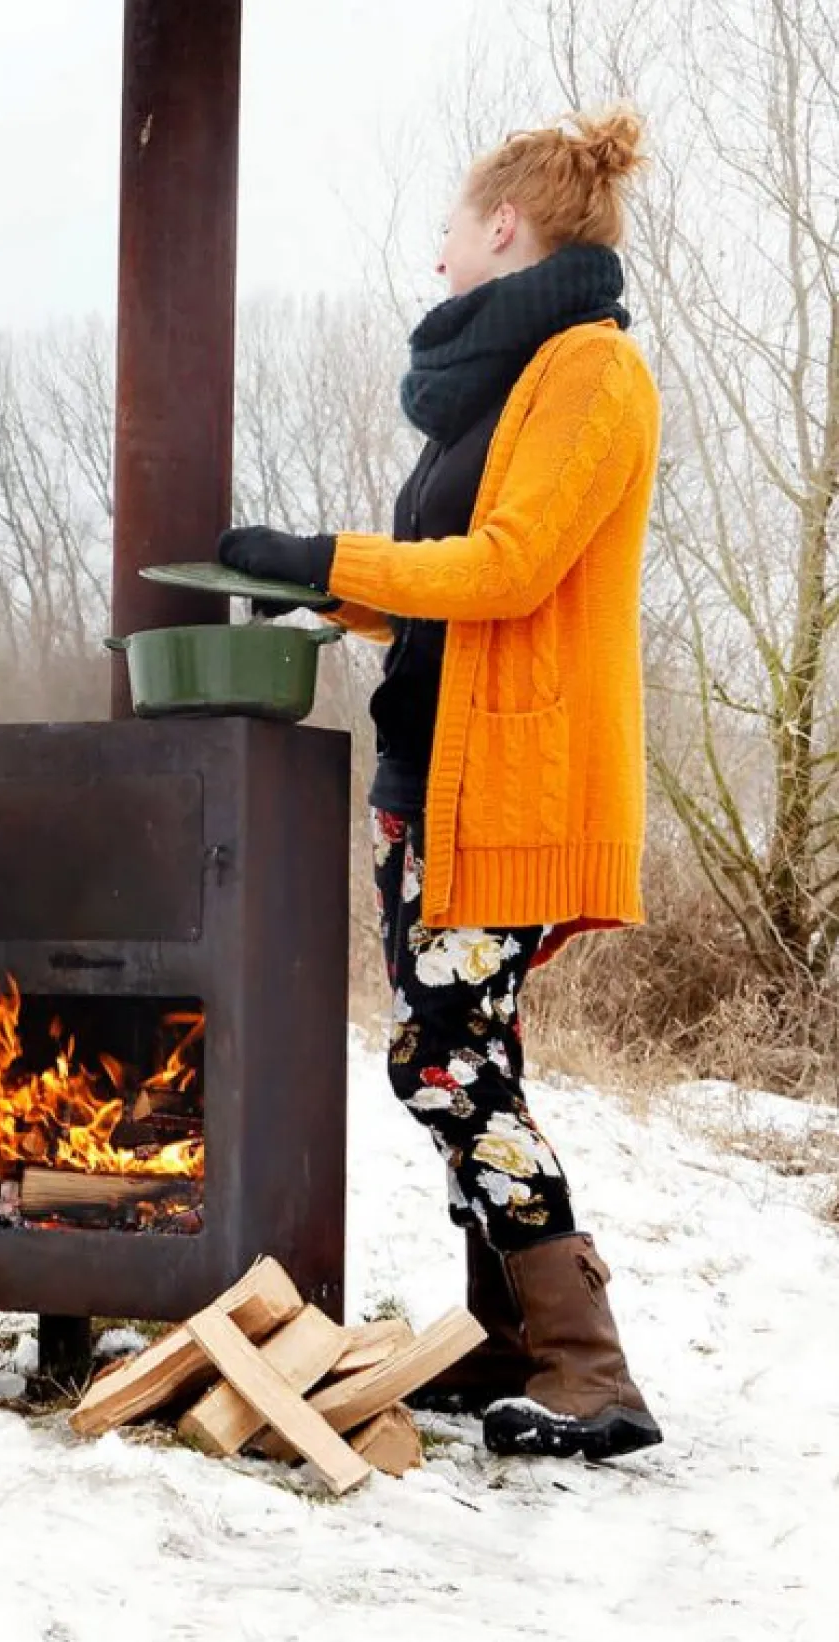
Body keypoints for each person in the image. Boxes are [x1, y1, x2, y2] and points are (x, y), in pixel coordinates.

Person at [218, 109, 662, 1460]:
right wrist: (328, 607)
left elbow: (510, 567)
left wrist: (327, 557)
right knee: (467, 1056)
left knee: (447, 1060)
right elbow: (455, 604)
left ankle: (589, 1364)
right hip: (434, 783)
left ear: (506, 229)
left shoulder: (588, 372)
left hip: (514, 789)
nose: (439, 262)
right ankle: (515, 1341)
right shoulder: (502, 385)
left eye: (451, 235)